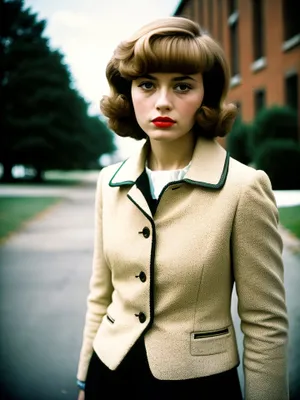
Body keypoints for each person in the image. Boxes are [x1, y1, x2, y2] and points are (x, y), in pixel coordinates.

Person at [76, 16, 289, 400]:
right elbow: (101, 295)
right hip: (107, 375)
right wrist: (81, 381)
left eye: (182, 85)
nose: (162, 101)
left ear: (204, 97)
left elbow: (265, 324)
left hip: (198, 386)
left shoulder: (244, 188)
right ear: (129, 94)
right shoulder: (109, 183)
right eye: (146, 84)